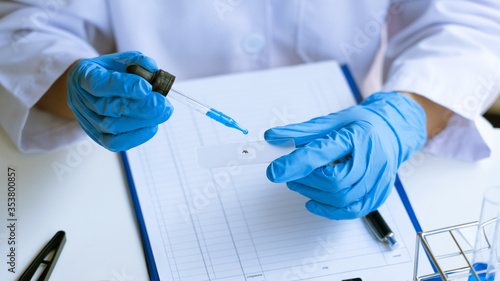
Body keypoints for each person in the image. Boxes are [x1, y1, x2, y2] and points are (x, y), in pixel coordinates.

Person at [1, 1, 499, 220]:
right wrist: (77, 86)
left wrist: (404, 114)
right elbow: (20, 24)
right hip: (134, 154)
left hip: (350, 129)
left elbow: (472, 19)